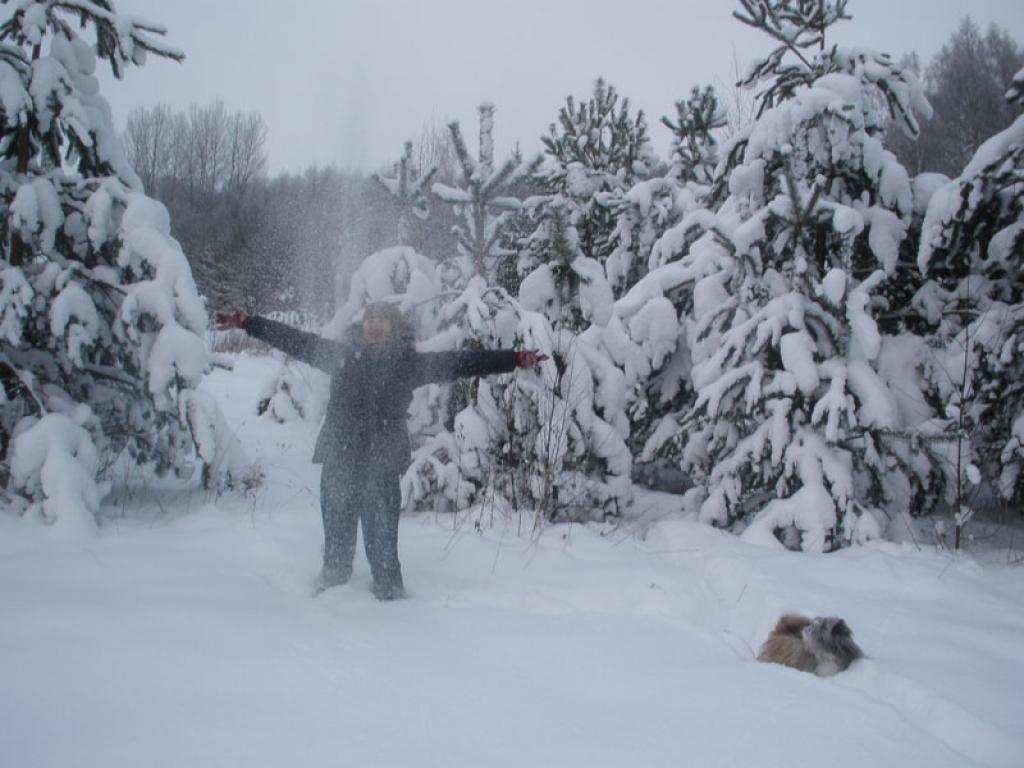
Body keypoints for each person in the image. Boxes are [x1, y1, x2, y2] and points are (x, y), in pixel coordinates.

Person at [214, 303, 547, 600]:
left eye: (382, 320)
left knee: (384, 555)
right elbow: (294, 340)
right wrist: (248, 324)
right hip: (339, 458)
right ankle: (327, 611)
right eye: (370, 319)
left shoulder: (408, 364)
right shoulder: (339, 355)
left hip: (382, 463)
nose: (374, 325)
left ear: (395, 327)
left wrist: (515, 359)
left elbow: (461, 362)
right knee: (336, 554)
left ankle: (391, 608)